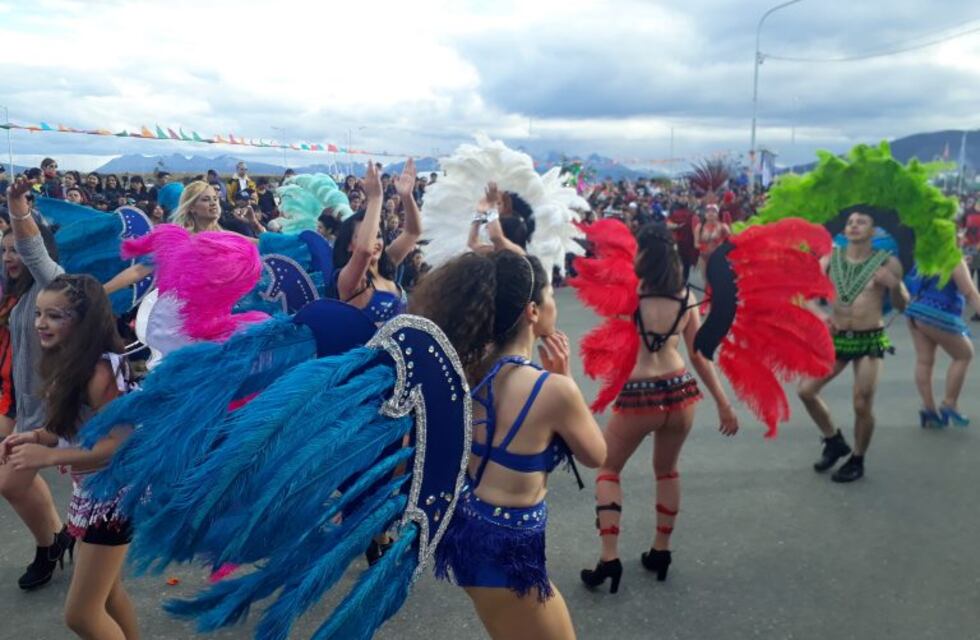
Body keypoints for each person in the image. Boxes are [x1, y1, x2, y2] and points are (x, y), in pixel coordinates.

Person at [422, 250, 606, 640]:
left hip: (470, 533)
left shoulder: (470, 371)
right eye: (551, 294)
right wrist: (566, 378)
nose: (556, 302)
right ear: (533, 311)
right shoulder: (553, 389)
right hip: (508, 556)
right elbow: (596, 455)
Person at [580, 223, 738, 592]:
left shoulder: (629, 296)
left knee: (608, 469)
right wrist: (723, 403)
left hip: (640, 394)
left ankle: (609, 558)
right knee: (667, 471)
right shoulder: (685, 297)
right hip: (680, 391)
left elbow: (611, 339)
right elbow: (700, 356)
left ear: (644, 256)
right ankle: (661, 551)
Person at [2, 274, 138, 639]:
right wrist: (34, 436)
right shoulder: (69, 362)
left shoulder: (100, 371)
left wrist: (45, 458)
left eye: (55, 315)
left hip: (113, 498)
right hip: (91, 492)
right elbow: (72, 427)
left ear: (84, 319)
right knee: (108, 596)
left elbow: (121, 442)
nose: (41, 323)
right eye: (39, 314)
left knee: (81, 614)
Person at [798, 211, 909, 483]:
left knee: (862, 403)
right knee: (806, 390)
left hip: (870, 339)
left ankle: (857, 459)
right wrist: (821, 315)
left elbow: (902, 305)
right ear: (844, 230)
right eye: (850, 222)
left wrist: (894, 285)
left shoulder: (887, 262)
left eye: (862, 222)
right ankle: (833, 441)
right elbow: (803, 295)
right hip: (837, 339)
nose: (854, 226)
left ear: (873, 230)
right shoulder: (830, 260)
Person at [0, 179, 73, 590]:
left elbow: (32, 249)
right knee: (14, 481)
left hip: (48, 406)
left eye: (17, 249)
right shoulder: (15, 295)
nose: (10, 256)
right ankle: (56, 537)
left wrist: (16, 206)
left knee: (10, 481)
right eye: (4, 249)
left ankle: (49, 545)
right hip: (19, 401)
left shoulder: (53, 283)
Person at [334, 160, 420, 325]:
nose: (375, 242)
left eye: (378, 235)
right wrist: (375, 199)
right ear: (349, 245)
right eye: (367, 235)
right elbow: (364, 252)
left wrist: (407, 197)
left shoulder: (387, 263)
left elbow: (412, 232)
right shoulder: (347, 280)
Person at [905, 258, 980, 427]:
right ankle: (949, 403)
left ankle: (929, 409)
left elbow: (910, 285)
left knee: (924, 360)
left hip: (915, 312)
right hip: (939, 313)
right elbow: (970, 293)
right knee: (964, 355)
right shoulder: (953, 260)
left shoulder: (922, 258)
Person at [693, 204, 730, 280]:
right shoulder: (699, 227)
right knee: (707, 281)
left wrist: (720, 244)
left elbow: (730, 242)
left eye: (713, 211)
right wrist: (704, 247)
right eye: (708, 211)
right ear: (705, 214)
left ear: (717, 214)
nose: (710, 213)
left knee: (718, 281)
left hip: (719, 259)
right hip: (704, 259)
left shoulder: (723, 227)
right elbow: (696, 244)